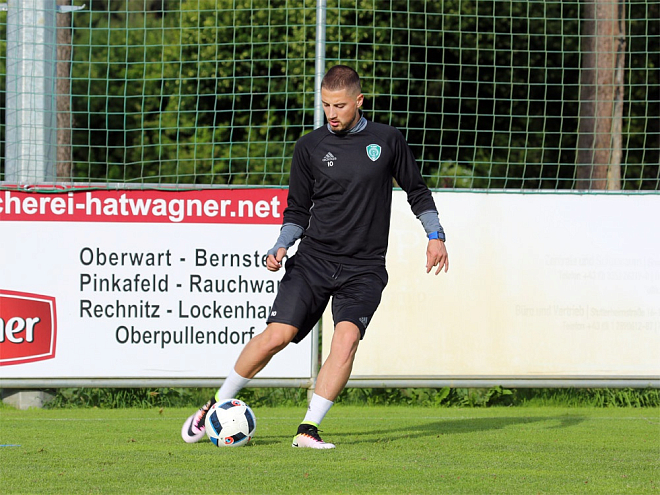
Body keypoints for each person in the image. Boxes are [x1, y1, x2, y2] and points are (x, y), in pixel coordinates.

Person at [181, 65, 449, 449]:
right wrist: (281, 244)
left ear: (358, 101)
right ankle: (215, 405)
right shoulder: (309, 146)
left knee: (346, 339)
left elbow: (417, 191)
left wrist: (435, 235)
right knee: (277, 336)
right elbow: (296, 210)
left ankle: (308, 429)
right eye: (326, 105)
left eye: (340, 105)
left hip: (363, 268)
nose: (331, 114)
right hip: (313, 261)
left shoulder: (387, 140)